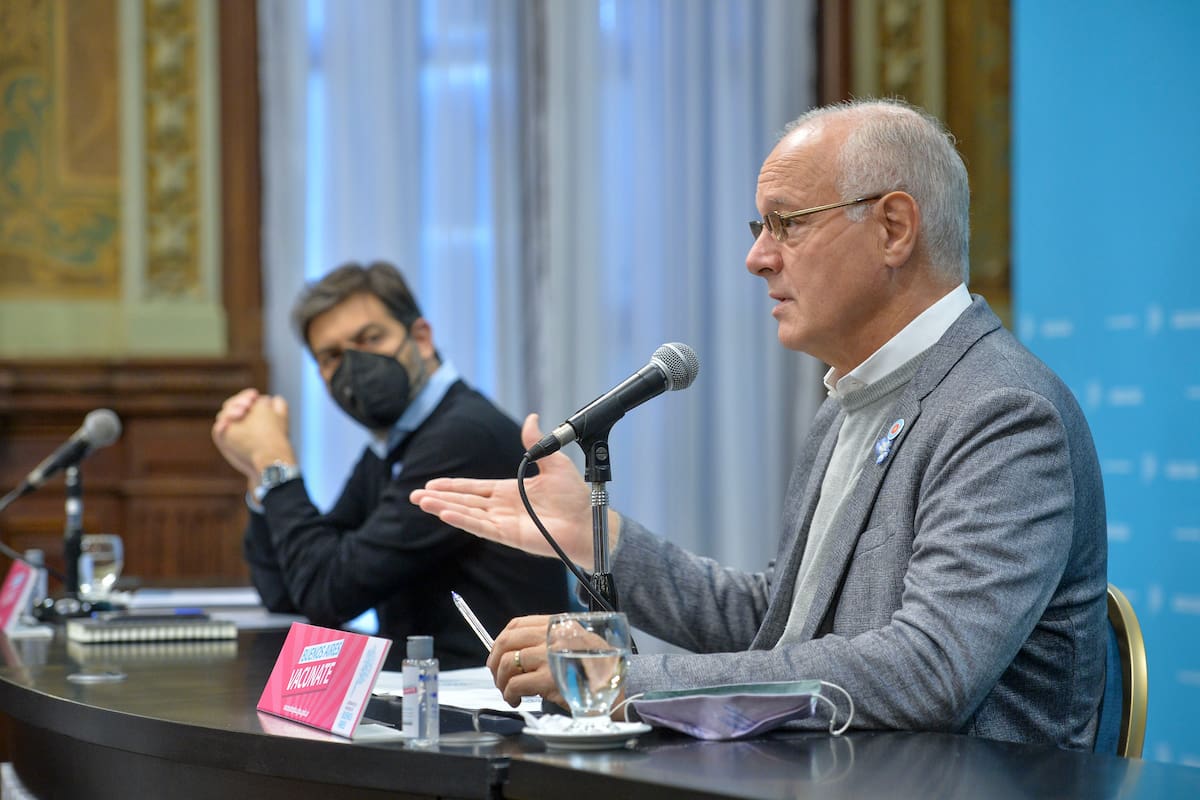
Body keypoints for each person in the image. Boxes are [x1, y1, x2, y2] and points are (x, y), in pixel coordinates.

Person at [411, 99, 1109, 750]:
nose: (757, 257)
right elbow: (780, 623)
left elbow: (928, 669)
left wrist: (627, 680)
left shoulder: (1003, 412)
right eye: (760, 228)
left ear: (894, 228)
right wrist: (605, 540)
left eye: (788, 223)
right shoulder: (850, 401)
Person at [212, 261, 568, 669]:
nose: (354, 367)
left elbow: (326, 591)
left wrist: (276, 462)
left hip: (493, 706)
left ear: (421, 338)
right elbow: (292, 590)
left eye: (370, 338)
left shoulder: (461, 438)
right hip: (431, 695)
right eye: (331, 356)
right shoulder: (395, 443)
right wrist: (261, 477)